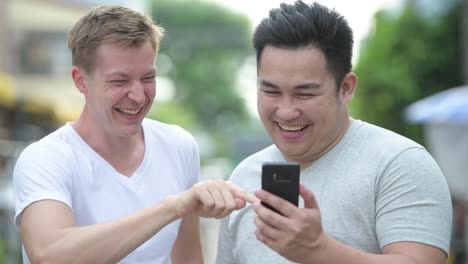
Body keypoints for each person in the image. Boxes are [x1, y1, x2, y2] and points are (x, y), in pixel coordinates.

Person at [12, 5, 256, 264]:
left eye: (148, 78)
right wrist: (173, 208)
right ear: (80, 81)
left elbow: (188, 257)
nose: (138, 95)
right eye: (119, 81)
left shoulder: (179, 146)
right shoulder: (45, 159)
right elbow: (50, 255)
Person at [216, 1, 453, 264]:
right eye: (271, 91)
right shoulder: (245, 175)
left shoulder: (400, 164)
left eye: (304, 93)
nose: (285, 112)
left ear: (346, 87)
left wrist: (319, 250)